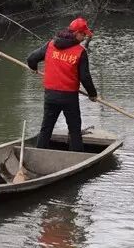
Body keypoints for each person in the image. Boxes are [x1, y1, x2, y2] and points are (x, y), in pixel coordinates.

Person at [27, 17, 98, 151]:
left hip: (50, 96)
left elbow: (31, 58)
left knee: (46, 128)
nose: (84, 38)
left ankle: (38, 154)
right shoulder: (80, 52)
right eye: (83, 34)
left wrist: (33, 68)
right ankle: (78, 158)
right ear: (76, 33)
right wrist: (92, 94)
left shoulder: (50, 45)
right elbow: (85, 77)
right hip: (69, 97)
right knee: (74, 130)